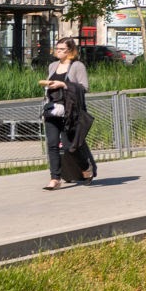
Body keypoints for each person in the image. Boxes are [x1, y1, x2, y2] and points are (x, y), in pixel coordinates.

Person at [39, 38, 96, 189]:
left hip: (69, 112)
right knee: (52, 145)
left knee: (68, 146)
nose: (57, 51)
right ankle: (55, 179)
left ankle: (86, 168)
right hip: (52, 110)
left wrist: (63, 84)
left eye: (61, 49)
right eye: (57, 48)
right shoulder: (52, 66)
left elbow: (84, 88)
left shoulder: (77, 66)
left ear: (70, 51)